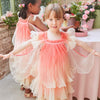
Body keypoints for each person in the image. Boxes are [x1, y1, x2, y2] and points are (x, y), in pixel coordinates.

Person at [0, 3, 100, 100]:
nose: (54, 23)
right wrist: (10, 53)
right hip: (46, 70)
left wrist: (92, 51)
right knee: (46, 91)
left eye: (57, 19)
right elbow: (26, 44)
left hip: (60, 69)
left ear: (62, 19)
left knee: (59, 90)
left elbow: (79, 42)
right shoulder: (42, 36)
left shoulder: (64, 36)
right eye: (51, 19)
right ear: (45, 20)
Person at [11, 0, 48, 98]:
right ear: (30, 6)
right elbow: (46, 30)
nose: (40, 9)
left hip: (21, 46)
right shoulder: (34, 19)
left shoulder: (20, 16)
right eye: (39, 6)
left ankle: (24, 85)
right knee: (31, 68)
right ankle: (28, 90)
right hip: (30, 48)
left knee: (24, 67)